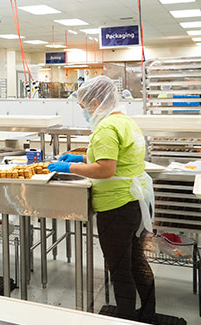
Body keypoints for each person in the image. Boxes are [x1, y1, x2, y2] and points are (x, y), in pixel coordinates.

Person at [49, 76, 157, 323]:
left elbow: (106, 168)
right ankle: (148, 313)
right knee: (136, 261)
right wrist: (80, 159)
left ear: (96, 103)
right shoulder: (125, 121)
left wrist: (69, 168)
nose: (84, 112)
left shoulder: (106, 128)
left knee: (119, 267)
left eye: (84, 106)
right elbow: (116, 158)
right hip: (133, 202)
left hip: (116, 206)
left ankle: (125, 317)